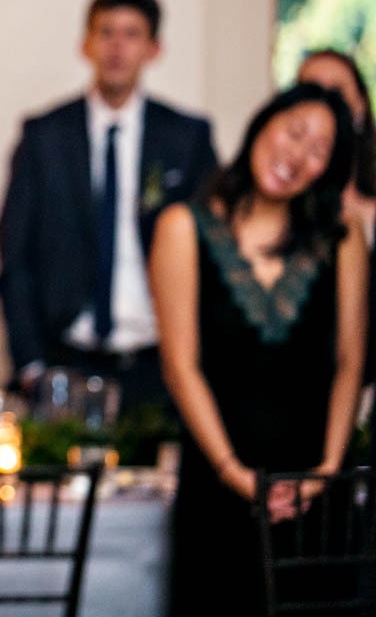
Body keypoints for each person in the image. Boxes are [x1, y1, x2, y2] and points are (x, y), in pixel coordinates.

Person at [149, 84, 367, 616]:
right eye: (295, 133)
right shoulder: (183, 226)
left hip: (315, 492)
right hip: (217, 489)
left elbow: (349, 362)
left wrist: (326, 470)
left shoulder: (341, 233)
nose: (298, 156)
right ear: (263, 122)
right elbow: (182, 366)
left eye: (319, 151)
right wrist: (234, 473)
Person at [0, 0, 218, 418]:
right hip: (66, 362)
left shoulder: (187, 138)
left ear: (154, 49)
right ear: (86, 44)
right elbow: (13, 256)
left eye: (132, 34)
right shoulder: (44, 136)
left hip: (160, 363)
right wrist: (30, 364)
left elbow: (216, 251)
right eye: (106, 32)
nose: (117, 46)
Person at [295, 48, 376, 467]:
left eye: (338, 92)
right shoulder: (284, 203)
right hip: (309, 399)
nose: (325, 102)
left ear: (360, 104)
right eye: (311, 89)